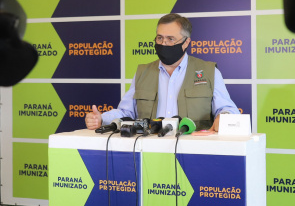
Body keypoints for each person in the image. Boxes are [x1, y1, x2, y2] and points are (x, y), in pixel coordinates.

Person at [86, 13, 240, 132]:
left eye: (170, 39)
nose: (163, 44)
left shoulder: (209, 71)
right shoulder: (142, 72)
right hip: (148, 152)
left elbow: (228, 110)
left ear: (186, 42)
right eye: (159, 38)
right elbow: (126, 112)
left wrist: (224, 118)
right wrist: (102, 119)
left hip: (195, 154)